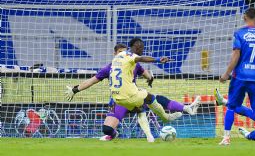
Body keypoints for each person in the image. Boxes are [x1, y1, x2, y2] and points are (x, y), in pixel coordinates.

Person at [66, 40, 198, 141]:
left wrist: (150, 79)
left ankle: (183, 110)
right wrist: (76, 89)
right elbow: (91, 81)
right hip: (119, 101)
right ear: (115, 54)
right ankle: (114, 134)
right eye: (119, 52)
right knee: (107, 129)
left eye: (124, 51)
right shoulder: (110, 68)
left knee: (156, 99)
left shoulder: (135, 64)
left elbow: (146, 73)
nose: (123, 54)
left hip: (133, 94)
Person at [218, 8, 255, 145]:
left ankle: (226, 138)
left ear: (245, 17)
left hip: (240, 76)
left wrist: (226, 74)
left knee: (231, 106)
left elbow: (236, 54)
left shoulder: (240, 34)